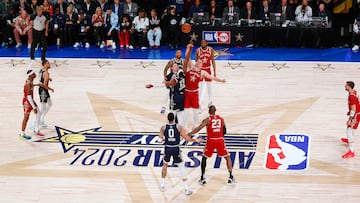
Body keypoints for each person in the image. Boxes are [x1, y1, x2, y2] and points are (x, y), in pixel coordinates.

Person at [183, 42, 225, 130]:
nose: (198, 62)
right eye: (198, 61)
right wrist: (189, 48)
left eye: (200, 61)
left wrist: (221, 80)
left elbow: (212, 77)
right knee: (186, 110)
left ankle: (195, 126)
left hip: (194, 92)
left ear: (201, 64)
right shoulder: (192, 67)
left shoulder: (202, 72)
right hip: (187, 92)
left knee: (195, 111)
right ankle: (185, 126)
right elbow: (187, 58)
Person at [158, 112, 203, 195]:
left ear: (168, 119)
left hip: (168, 148)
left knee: (165, 165)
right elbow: (187, 139)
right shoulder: (178, 127)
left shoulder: (163, 128)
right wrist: (196, 140)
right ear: (174, 119)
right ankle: (186, 188)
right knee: (181, 167)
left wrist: (165, 139)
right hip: (176, 148)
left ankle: (163, 185)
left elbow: (159, 140)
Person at [188, 105, 234, 184]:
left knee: (204, 158)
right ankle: (231, 177)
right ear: (215, 110)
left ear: (209, 111)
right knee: (227, 158)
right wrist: (218, 134)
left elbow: (199, 128)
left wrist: (190, 133)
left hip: (211, 141)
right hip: (220, 140)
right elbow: (224, 131)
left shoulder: (207, 120)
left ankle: (202, 178)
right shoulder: (221, 119)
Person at [160, 50, 184, 114]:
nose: (179, 54)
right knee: (169, 92)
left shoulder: (183, 61)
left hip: (179, 80)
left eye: (180, 53)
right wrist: (165, 77)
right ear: (176, 54)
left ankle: (179, 107)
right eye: (178, 53)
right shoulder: (172, 61)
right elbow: (165, 69)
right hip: (172, 78)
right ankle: (164, 106)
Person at [20, 70, 41, 140]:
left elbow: (30, 87)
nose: (35, 74)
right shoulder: (28, 83)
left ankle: (36, 129)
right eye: (34, 73)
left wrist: (36, 85)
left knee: (39, 113)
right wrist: (34, 107)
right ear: (31, 75)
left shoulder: (30, 81)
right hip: (28, 101)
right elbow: (28, 96)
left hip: (30, 100)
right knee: (26, 118)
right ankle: (22, 134)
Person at [341, 81, 360, 158]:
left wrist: (350, 119)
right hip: (357, 113)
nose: (344, 86)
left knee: (349, 130)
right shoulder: (354, 92)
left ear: (349, 87)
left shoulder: (351, 96)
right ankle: (349, 139)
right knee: (351, 129)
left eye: (346, 85)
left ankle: (351, 151)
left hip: (355, 114)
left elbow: (353, 109)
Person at [196, 39, 216, 110]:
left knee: (209, 87)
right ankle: (198, 104)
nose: (202, 43)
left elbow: (213, 61)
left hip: (208, 69)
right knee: (200, 87)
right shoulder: (198, 50)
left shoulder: (210, 49)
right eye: (201, 42)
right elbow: (196, 62)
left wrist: (215, 72)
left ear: (207, 43)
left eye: (203, 42)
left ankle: (210, 101)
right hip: (201, 70)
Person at [38, 59, 54, 127]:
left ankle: (41, 119)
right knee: (43, 107)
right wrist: (51, 89)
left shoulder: (41, 70)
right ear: (44, 65)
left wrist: (48, 78)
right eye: (48, 63)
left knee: (50, 104)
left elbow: (42, 77)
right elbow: (44, 85)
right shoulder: (46, 73)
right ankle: (37, 121)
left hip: (43, 89)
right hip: (43, 90)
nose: (49, 64)